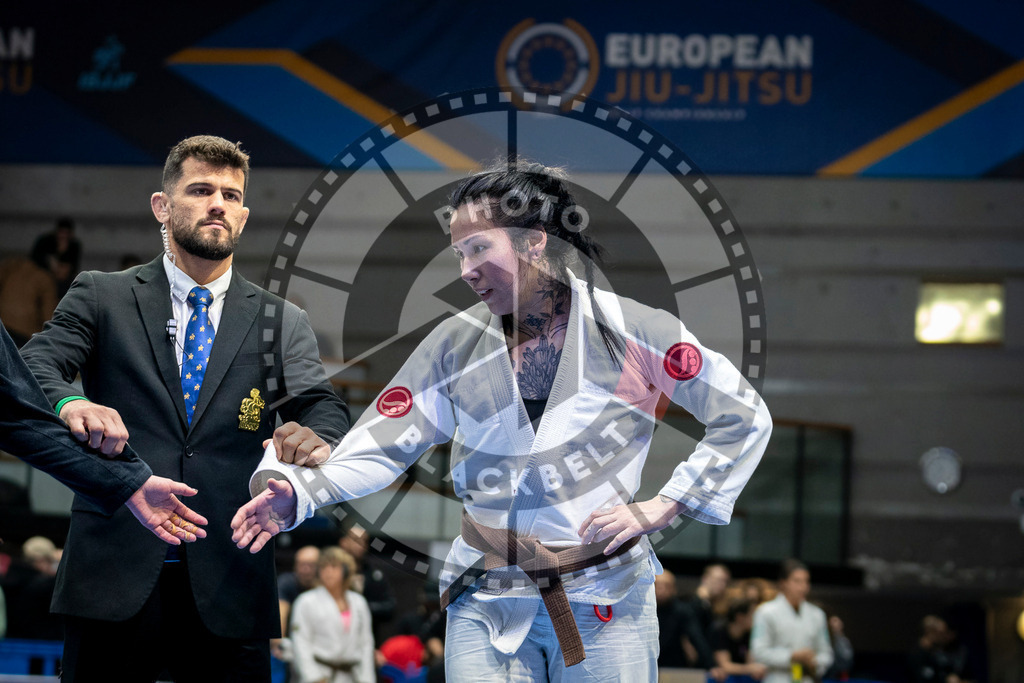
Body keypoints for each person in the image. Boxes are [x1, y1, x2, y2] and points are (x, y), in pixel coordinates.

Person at [233, 161, 772, 681]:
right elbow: (382, 443)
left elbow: (743, 414)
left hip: (605, 594)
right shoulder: (454, 343)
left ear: (534, 241)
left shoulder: (635, 331)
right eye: (459, 253)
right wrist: (300, 491)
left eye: (478, 248)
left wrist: (665, 505)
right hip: (486, 593)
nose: (465, 270)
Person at [20, 135, 350, 683]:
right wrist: (72, 400)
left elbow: (322, 405)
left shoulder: (281, 320)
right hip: (113, 570)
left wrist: (315, 436)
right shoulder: (102, 294)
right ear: (163, 206)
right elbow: (34, 365)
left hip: (231, 576)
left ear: (243, 216)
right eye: (200, 190)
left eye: (230, 195)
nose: (217, 203)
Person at [0, 318, 207, 545]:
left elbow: (15, 415)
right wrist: (69, 402)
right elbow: (24, 392)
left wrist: (130, 480)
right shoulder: (98, 298)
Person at [289, 546, 375, 683]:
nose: (328, 572)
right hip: (319, 673)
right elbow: (300, 642)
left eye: (334, 567)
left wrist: (367, 679)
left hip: (351, 675)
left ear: (346, 570)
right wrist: (313, 677)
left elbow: (366, 643)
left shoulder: (358, 602)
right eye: (324, 567)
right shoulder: (306, 601)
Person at [750, 559, 833, 683]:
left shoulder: (817, 614)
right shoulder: (765, 612)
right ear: (783, 583)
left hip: (806, 678)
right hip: (777, 678)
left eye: (806, 581)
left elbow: (826, 653)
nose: (803, 587)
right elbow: (759, 652)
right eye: (797, 581)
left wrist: (814, 662)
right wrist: (792, 656)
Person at [0, 254, 58, 346]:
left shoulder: (12, 266)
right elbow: (48, 317)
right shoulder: (45, 279)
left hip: (3, 324)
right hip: (23, 334)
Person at [682, 563, 732, 668]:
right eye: (719, 580)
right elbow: (693, 637)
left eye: (725, 581)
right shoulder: (691, 604)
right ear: (705, 579)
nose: (722, 585)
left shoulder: (709, 606)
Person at [709, 598, 765, 681]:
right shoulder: (720, 631)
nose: (755, 619)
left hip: (741, 677)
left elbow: (750, 661)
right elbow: (725, 666)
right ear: (740, 617)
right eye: (751, 615)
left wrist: (755, 670)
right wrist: (750, 669)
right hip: (720, 677)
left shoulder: (748, 633)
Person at [907, 615, 975, 683]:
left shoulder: (936, 652)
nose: (945, 637)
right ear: (930, 632)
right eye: (941, 633)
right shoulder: (917, 656)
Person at [30, 216, 81, 296]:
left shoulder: (74, 246)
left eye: (66, 233)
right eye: (61, 232)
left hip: (62, 283)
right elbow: (34, 259)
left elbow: (73, 267)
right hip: (43, 276)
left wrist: (63, 266)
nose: (63, 236)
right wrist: (50, 263)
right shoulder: (45, 242)